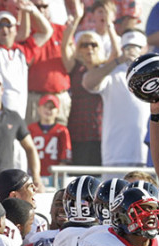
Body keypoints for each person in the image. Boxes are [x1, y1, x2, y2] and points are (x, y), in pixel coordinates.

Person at [83, 29, 150, 167]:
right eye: (128, 47)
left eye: (137, 47)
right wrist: (118, 61)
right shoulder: (111, 72)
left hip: (145, 154)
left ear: (145, 49)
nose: (133, 51)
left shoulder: (154, 74)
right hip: (115, 155)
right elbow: (88, 83)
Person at [62, 2, 115, 166]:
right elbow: (64, 45)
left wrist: (110, 26)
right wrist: (77, 18)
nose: (89, 48)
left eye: (93, 44)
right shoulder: (75, 66)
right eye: (84, 44)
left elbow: (117, 54)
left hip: (101, 127)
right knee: (80, 169)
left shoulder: (103, 67)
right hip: (78, 125)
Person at [25, 0, 73, 125]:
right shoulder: (24, 33)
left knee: (61, 140)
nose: (40, 10)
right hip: (34, 97)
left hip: (60, 96)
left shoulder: (63, 31)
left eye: (44, 6)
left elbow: (70, 66)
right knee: (32, 140)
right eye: (36, 7)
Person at [28, 94, 72, 180]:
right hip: (33, 175)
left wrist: (57, 175)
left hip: (54, 176)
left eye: (52, 107)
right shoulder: (30, 129)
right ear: (38, 109)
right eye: (45, 106)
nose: (48, 110)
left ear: (58, 112)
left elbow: (65, 157)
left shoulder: (62, 130)